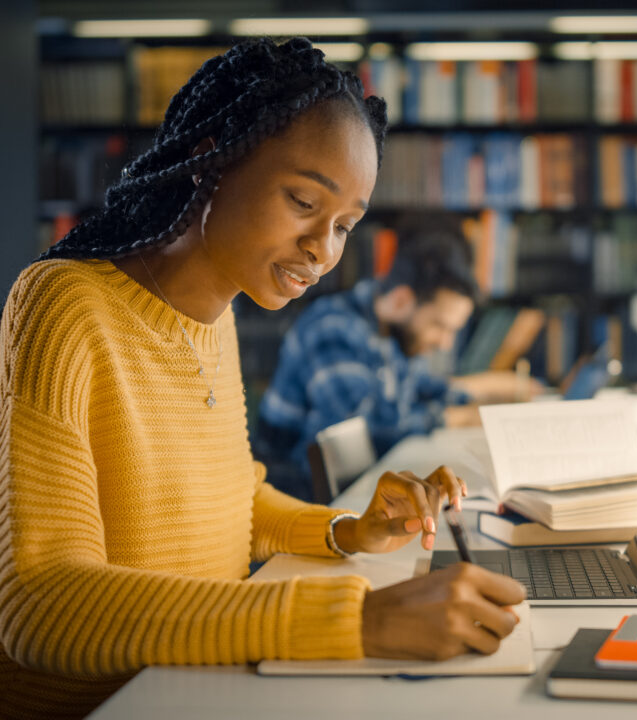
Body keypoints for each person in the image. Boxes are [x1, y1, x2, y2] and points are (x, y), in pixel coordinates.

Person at [0, 38, 524, 720]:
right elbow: (43, 605)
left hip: (194, 686)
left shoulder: (216, 317)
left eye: (344, 225)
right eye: (304, 201)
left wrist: (348, 531)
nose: (323, 249)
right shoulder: (65, 305)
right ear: (208, 158)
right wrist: (353, 620)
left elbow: (232, 501)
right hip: (109, 704)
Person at [255, 217, 541, 500]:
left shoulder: (392, 331)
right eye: (440, 326)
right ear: (403, 299)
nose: (445, 343)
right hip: (291, 497)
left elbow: (419, 387)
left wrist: (492, 390)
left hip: (353, 488)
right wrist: (460, 418)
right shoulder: (332, 329)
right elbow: (364, 430)